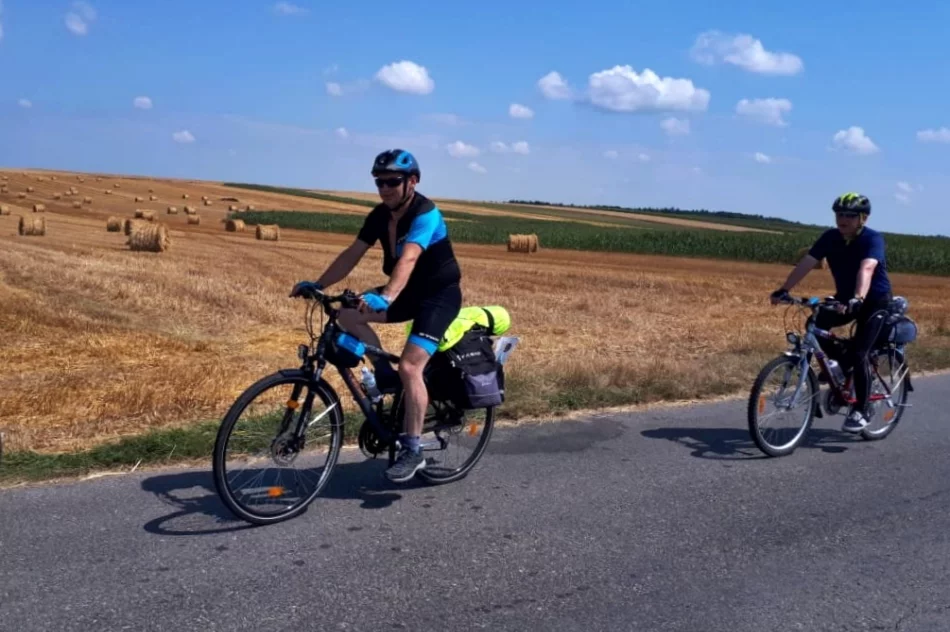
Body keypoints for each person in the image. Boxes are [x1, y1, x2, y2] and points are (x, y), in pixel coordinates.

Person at [290, 149, 463, 482]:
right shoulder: (380, 215)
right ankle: (385, 375)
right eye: (379, 182)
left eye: (392, 182)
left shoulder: (425, 214)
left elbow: (409, 259)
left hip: (438, 296)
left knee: (412, 365)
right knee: (347, 316)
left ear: (412, 182)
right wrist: (319, 283)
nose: (384, 189)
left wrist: (386, 297)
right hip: (408, 291)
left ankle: (413, 450)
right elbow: (353, 253)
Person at [769, 192, 893, 433]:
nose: (842, 219)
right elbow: (806, 262)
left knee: (860, 353)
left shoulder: (872, 239)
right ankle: (839, 363)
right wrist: (784, 289)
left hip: (874, 300)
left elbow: (867, 268)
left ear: (862, 218)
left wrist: (858, 298)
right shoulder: (830, 237)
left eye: (849, 215)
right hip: (846, 298)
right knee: (815, 325)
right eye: (839, 214)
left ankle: (862, 409)